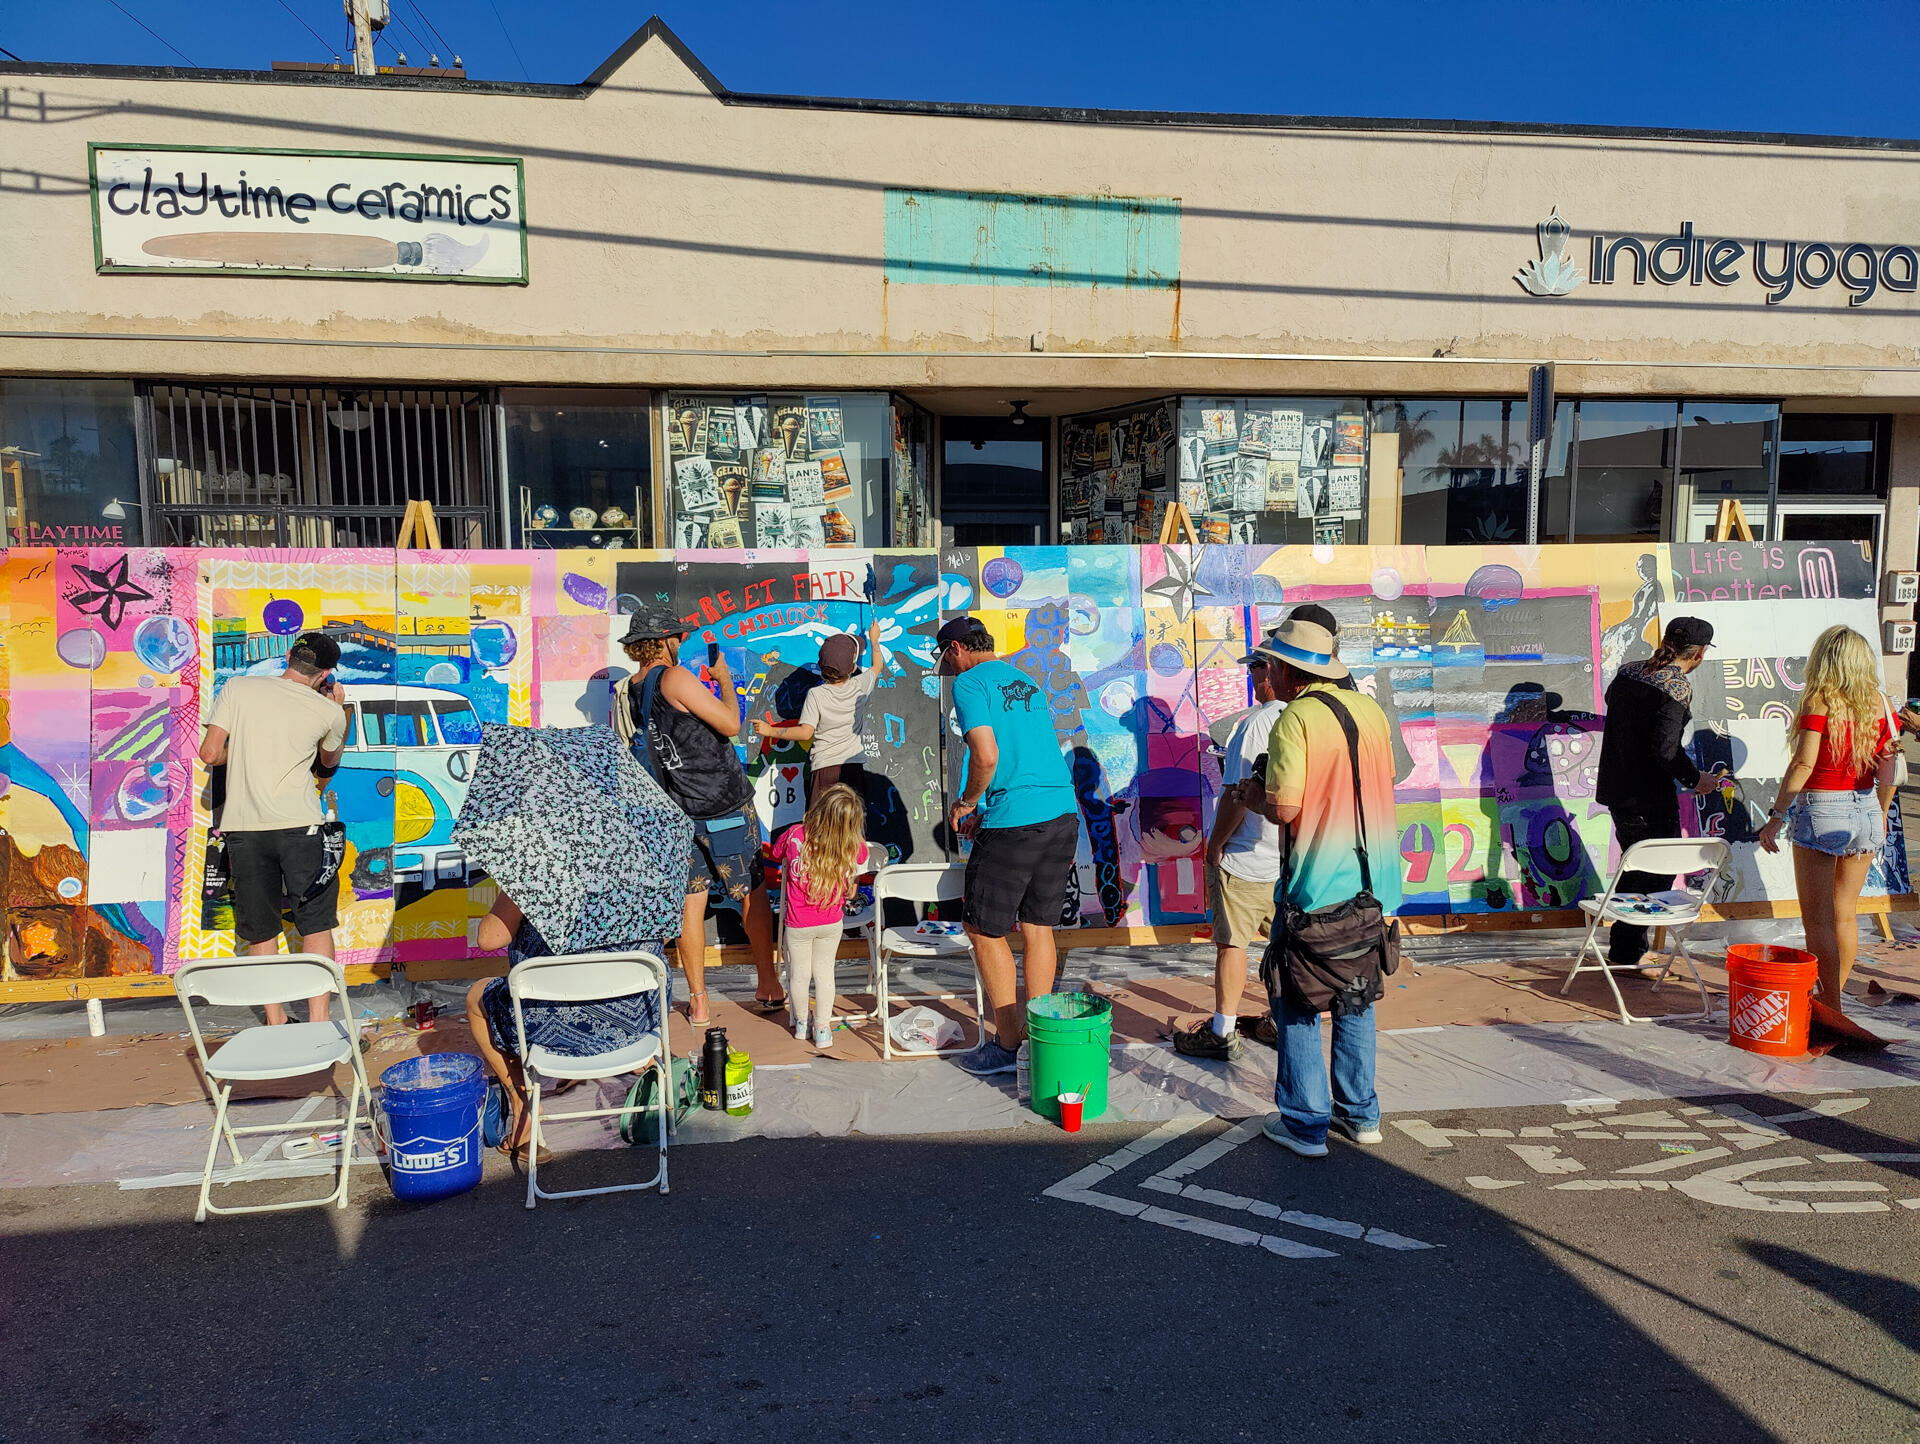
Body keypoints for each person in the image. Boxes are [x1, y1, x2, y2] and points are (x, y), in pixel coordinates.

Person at [1243, 618, 1403, 1157]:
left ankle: (1305, 1122)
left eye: (1271, 664)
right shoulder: (1370, 710)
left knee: (1298, 1001)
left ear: (1290, 671)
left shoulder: (1297, 720)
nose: (1269, 673)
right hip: (1376, 882)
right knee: (1356, 996)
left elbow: (1284, 807)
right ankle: (1362, 1114)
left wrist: (1250, 795)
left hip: (1317, 885)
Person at [612, 606, 780, 1028]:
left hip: (678, 813)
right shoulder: (676, 678)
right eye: (679, 639)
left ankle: (700, 1002)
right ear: (666, 640)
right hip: (722, 804)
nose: (682, 644)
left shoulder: (632, 688)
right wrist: (723, 680)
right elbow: (729, 724)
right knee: (751, 891)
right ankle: (768, 984)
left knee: (691, 904)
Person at [936, 616, 1081, 1077]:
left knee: (983, 928)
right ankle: (1040, 1043)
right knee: (1038, 928)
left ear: (957, 648)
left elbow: (987, 755)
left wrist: (968, 801)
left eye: (944, 658)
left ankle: (1006, 1043)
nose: (946, 668)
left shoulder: (970, 684)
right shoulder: (1024, 679)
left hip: (1016, 820)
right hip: (1061, 813)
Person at [196, 631, 348, 1026]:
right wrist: (338, 708)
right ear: (326, 674)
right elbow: (327, 763)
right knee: (315, 923)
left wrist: (244, 748)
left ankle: (275, 1018)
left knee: (260, 926)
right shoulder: (330, 711)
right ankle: (318, 1021)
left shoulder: (239, 687)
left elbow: (210, 753)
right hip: (301, 828)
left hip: (243, 830)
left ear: (287, 657)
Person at [463, 891, 669, 1164]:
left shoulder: (538, 870)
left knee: (476, 997)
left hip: (549, 1024)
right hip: (635, 1022)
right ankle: (643, 1068)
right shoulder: (640, 866)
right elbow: (664, 935)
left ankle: (522, 1103)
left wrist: (511, 890)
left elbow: (489, 938)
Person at [1758, 625, 1901, 1007]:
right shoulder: (1880, 702)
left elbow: (1804, 763)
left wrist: (1776, 816)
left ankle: (1830, 1008)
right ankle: (1831, 1001)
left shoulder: (1820, 700)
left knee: (1817, 920)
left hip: (1822, 807)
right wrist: (1883, 813)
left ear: (1824, 659)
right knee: (1845, 915)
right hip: (1867, 806)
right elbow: (1889, 767)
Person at [1175, 630, 1288, 1060]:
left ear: (1270, 672)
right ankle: (1280, 1021)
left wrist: (1214, 845)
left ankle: (1222, 1030)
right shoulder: (1311, 718)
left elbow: (1236, 796)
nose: (1254, 677)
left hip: (1246, 857)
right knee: (1286, 945)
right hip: (1292, 859)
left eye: (1257, 667)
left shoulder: (1257, 724)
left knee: (1233, 945)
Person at [1594, 617, 1724, 972]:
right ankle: (1627, 950)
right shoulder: (1676, 687)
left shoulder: (1629, 671)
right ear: (1698, 654)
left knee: (1636, 865)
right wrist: (1696, 778)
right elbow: (1665, 751)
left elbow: (1617, 708)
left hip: (1618, 788)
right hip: (1647, 795)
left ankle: (1625, 947)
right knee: (1655, 871)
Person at [769, 783, 873, 1051]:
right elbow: (864, 856)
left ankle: (802, 1024)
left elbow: (776, 852)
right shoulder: (851, 845)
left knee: (799, 975)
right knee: (825, 974)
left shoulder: (795, 835)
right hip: (830, 920)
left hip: (798, 922)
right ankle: (823, 1028)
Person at [753, 620, 882, 803]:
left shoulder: (816, 694)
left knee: (821, 826)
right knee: (853, 825)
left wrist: (770, 730)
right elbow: (877, 667)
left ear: (821, 667)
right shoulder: (860, 686)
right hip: (852, 768)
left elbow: (806, 732)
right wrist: (874, 640)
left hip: (824, 770)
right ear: (853, 668)